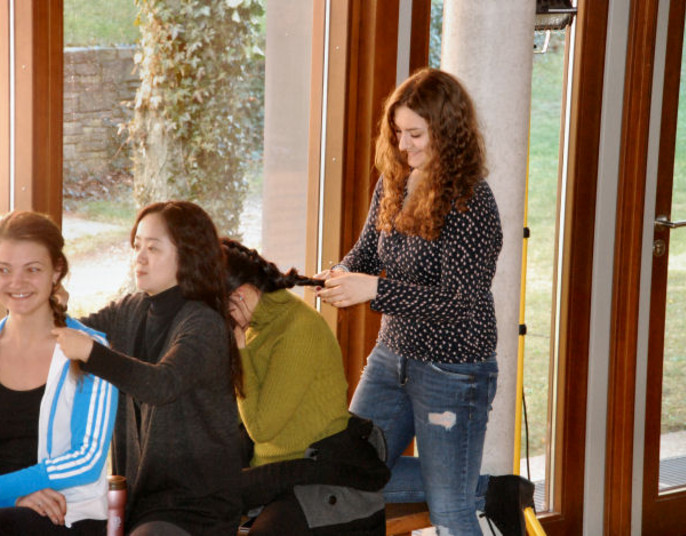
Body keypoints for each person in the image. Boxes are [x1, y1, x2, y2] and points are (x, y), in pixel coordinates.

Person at [315, 68, 534, 536]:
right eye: (398, 133)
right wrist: (338, 273)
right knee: (349, 474)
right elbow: (366, 253)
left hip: (453, 371)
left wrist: (374, 290)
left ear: (448, 131)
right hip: (391, 358)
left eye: (415, 134)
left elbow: (459, 302)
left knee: (449, 512)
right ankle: (491, 491)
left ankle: (467, 492)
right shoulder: (394, 183)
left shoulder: (471, 202)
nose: (403, 146)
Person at [52, 201, 243, 536]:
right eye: (137, 246)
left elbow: (161, 384)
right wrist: (52, 306)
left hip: (195, 507)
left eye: (153, 248)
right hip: (137, 503)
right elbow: (68, 335)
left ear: (189, 256)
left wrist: (91, 352)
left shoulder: (204, 324)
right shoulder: (130, 310)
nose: (139, 257)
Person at [0, 210, 118, 536]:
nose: (16, 283)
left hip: (67, 513)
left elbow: (86, 459)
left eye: (32, 269)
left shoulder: (89, 351)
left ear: (56, 271)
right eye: (3, 270)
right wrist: (12, 496)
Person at [222, 238, 390, 536]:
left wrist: (239, 353)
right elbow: (235, 417)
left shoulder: (298, 329)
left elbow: (261, 428)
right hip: (274, 472)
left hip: (316, 471)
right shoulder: (255, 327)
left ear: (241, 295)